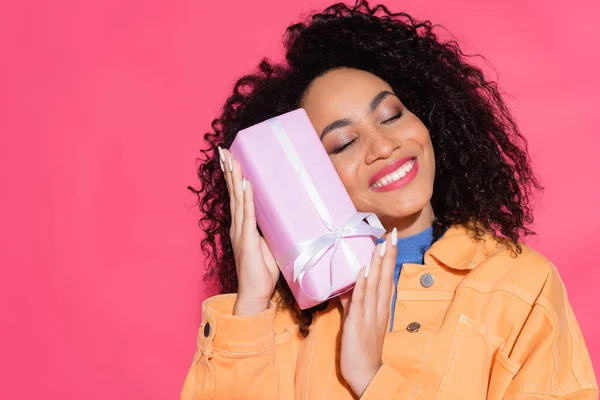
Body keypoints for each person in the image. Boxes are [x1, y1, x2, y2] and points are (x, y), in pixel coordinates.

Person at [181, 1, 598, 398]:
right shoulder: (287, 315)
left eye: (392, 115)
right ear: (309, 177)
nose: (383, 146)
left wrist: (372, 379)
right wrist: (252, 301)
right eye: (344, 143)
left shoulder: (521, 286)